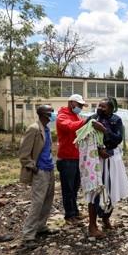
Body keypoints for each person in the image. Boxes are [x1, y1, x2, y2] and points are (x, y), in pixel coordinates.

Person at [83, 97, 128, 237]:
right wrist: (98, 150)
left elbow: (118, 139)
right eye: (99, 106)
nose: (100, 108)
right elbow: (84, 138)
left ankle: (106, 219)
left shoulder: (116, 120)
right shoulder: (91, 119)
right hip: (95, 161)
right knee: (95, 191)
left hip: (112, 159)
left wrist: (104, 130)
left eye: (104, 107)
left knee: (111, 189)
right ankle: (92, 226)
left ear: (111, 108)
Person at [19, 105, 58, 247]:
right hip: (40, 170)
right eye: (51, 112)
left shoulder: (46, 129)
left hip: (49, 168)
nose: (53, 115)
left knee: (48, 199)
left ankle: (41, 227)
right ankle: (28, 235)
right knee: (37, 202)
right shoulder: (34, 129)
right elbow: (24, 153)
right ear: (44, 114)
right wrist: (33, 167)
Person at [56, 94, 87, 225]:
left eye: (81, 106)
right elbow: (69, 127)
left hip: (76, 157)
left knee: (74, 187)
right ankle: (69, 215)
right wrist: (85, 121)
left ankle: (75, 211)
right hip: (67, 158)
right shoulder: (62, 116)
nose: (80, 107)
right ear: (71, 103)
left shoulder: (75, 116)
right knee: (68, 188)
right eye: (79, 105)